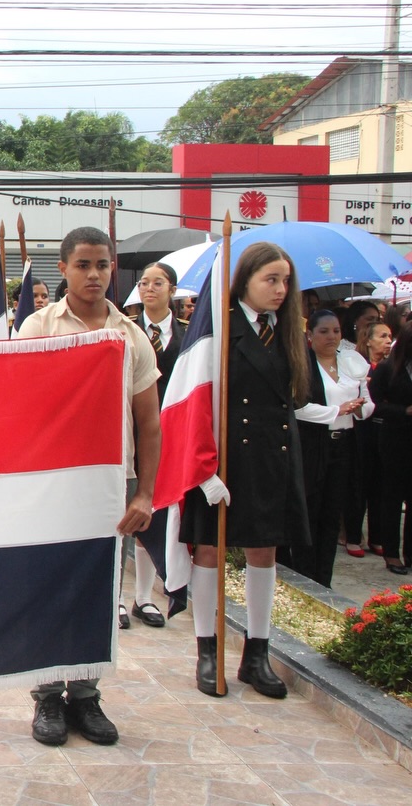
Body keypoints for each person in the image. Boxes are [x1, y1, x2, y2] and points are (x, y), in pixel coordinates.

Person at [15, 227, 159, 747]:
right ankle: (48, 697)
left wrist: (144, 493)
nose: (94, 274)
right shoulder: (38, 328)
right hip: (52, 481)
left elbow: (149, 423)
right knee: (47, 587)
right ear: (63, 269)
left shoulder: (130, 335)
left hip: (112, 481)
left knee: (98, 591)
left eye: (102, 264)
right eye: (83, 265)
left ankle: (86, 695)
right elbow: (18, 404)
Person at [181, 242, 309, 699]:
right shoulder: (219, 328)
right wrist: (203, 469)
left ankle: (257, 653)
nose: (280, 289)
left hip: (271, 458)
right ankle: (207, 650)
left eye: (285, 281)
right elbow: (195, 400)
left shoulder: (287, 331)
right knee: (209, 550)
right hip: (225, 460)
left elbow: (297, 398)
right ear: (245, 280)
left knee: (264, 551)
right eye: (270, 279)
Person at [285, 310, 371, 588]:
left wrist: (358, 409)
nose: (331, 337)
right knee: (310, 511)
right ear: (310, 335)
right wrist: (337, 410)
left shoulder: (350, 362)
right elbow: (297, 407)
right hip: (313, 444)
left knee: (332, 514)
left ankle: (324, 579)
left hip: (344, 444)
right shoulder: (303, 365)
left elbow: (367, 401)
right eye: (324, 331)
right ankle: (305, 576)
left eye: (336, 331)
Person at [126, 261, 187, 629]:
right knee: (123, 512)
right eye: (144, 283)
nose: (149, 288)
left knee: (155, 510)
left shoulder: (188, 335)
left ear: (172, 290)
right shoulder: (125, 330)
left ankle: (144, 597)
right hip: (128, 430)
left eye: (158, 283)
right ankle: (117, 599)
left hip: (170, 432)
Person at [368, 321, 412, 575]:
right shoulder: (388, 368)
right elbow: (374, 404)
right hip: (395, 438)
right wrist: (403, 411)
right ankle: (392, 553)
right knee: (392, 497)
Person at [348, 322, 394, 558]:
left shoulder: (391, 367)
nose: (388, 341)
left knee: (380, 485)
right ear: (368, 340)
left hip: (383, 432)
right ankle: (353, 536)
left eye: (390, 336)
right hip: (362, 430)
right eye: (382, 336)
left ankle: (377, 537)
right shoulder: (360, 367)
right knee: (360, 484)